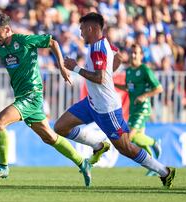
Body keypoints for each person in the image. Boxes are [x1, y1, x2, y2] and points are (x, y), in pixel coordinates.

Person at [0, 13, 92, 186]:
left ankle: (3, 166)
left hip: (32, 94)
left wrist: (61, 66)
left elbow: (52, 42)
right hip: (22, 96)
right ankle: (83, 162)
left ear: (7, 30)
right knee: (50, 137)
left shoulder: (23, 40)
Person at [54, 12, 176, 188]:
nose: (80, 34)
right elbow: (119, 58)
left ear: (91, 28)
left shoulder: (98, 50)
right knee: (60, 127)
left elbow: (101, 78)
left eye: (82, 29)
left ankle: (165, 171)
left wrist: (76, 68)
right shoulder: (103, 44)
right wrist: (109, 73)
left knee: (126, 147)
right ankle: (98, 146)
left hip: (107, 109)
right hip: (91, 103)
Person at [115, 44, 163, 176]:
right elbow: (129, 88)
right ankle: (153, 166)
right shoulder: (129, 71)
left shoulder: (145, 70)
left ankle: (154, 142)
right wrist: (113, 84)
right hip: (133, 109)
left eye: (136, 53)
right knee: (136, 140)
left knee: (130, 137)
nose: (134, 55)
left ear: (141, 55)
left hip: (143, 108)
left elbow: (159, 88)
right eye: (132, 52)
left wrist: (144, 96)